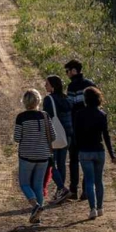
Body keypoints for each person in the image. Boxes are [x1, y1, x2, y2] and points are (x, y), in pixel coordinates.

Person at [72, 86, 116, 220]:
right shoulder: (102, 115)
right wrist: (112, 154)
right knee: (99, 181)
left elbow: (76, 136)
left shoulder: (79, 114)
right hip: (99, 151)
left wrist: (77, 150)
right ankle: (100, 207)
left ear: (85, 99)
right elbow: (106, 136)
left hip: (85, 151)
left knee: (89, 181)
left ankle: (92, 209)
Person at [13, 89, 52, 224]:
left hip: (26, 156)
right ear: (38, 101)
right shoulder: (45, 116)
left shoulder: (21, 117)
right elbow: (53, 136)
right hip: (43, 155)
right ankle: (37, 217)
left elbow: (17, 138)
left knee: (24, 184)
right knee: (38, 185)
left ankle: (35, 206)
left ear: (24, 102)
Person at [63, 59, 98, 199]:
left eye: (67, 71)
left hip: (76, 127)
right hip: (90, 127)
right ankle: (86, 189)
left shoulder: (72, 86)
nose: (67, 74)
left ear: (73, 71)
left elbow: (71, 106)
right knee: (87, 160)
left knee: (73, 160)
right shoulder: (90, 84)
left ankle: (73, 189)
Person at [43, 75, 73, 205]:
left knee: (50, 164)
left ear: (53, 87)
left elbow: (46, 119)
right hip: (67, 135)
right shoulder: (66, 99)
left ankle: (61, 188)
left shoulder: (49, 99)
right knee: (61, 163)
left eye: (47, 84)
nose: (45, 86)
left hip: (54, 135)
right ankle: (60, 193)